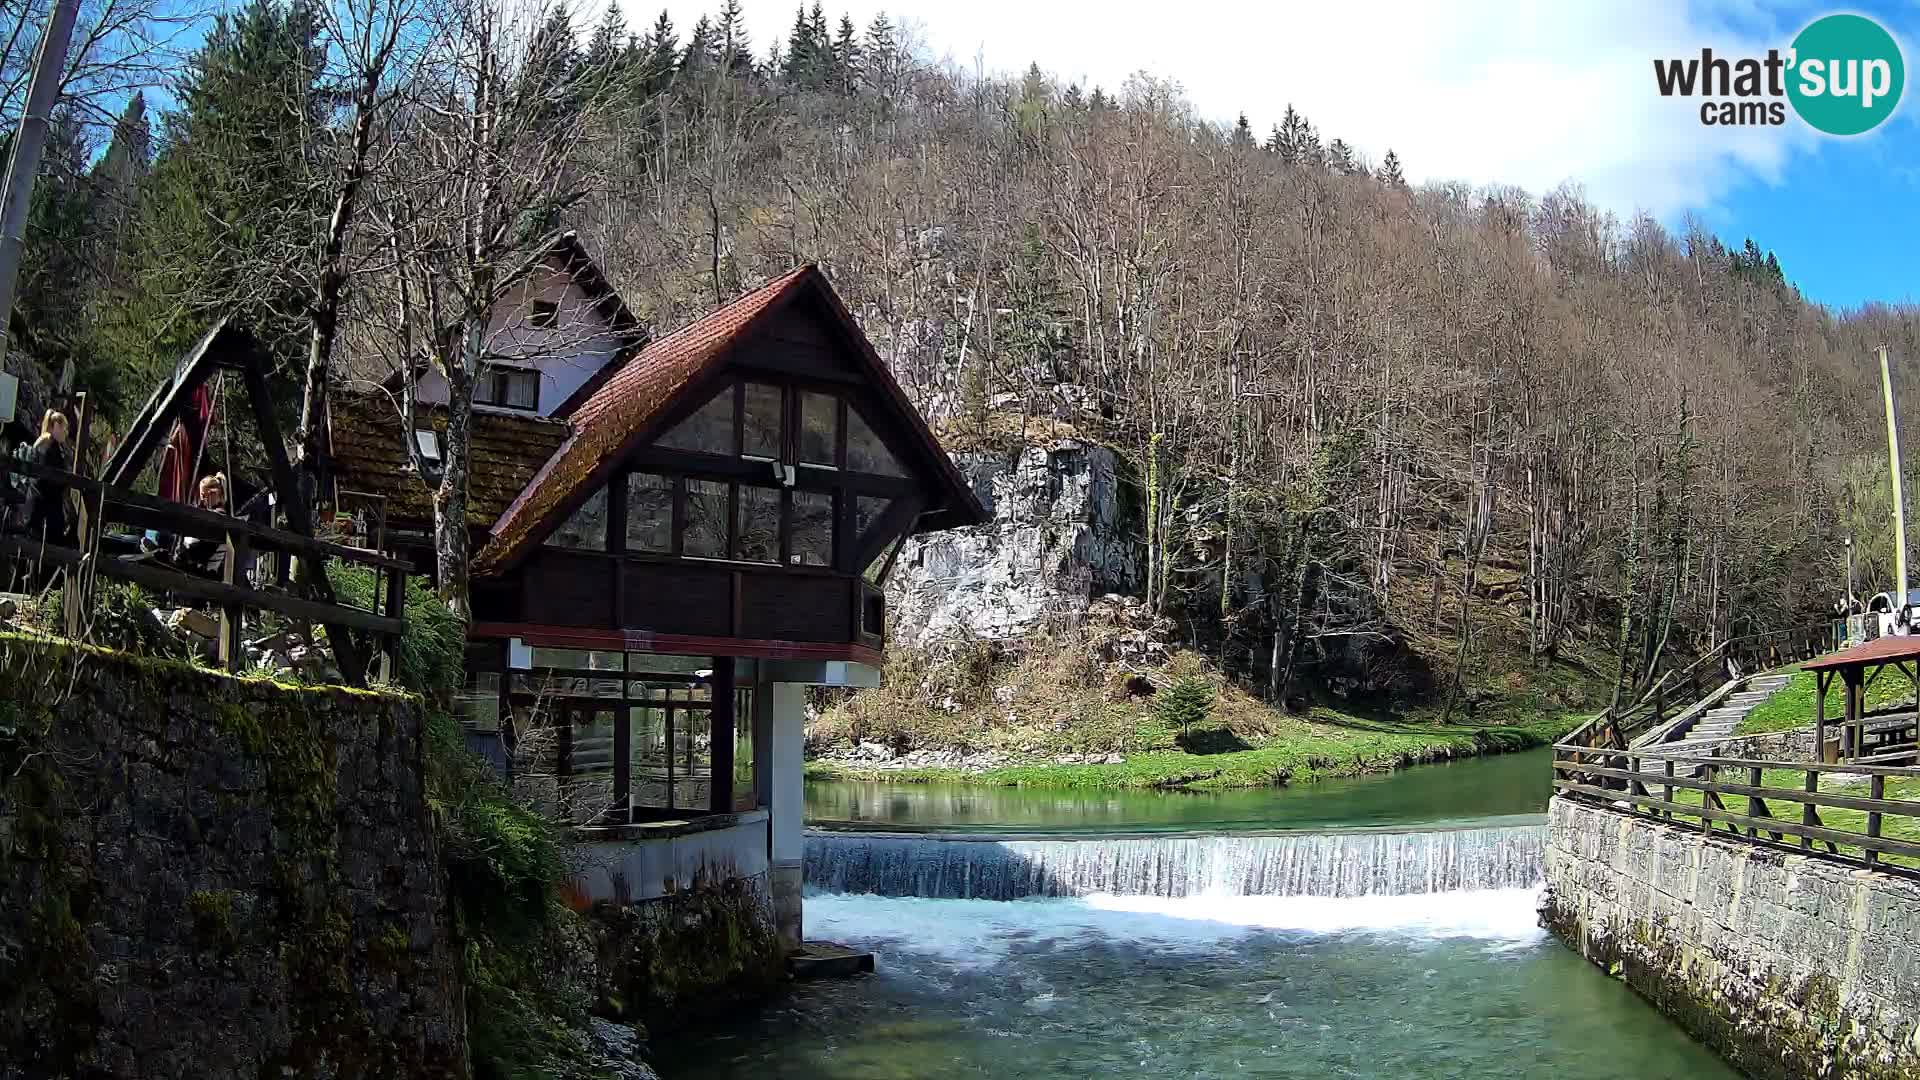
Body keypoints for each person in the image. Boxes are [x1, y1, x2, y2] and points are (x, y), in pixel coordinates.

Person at [21, 410, 71, 545]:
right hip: (44, 505)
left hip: (38, 503)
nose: (66, 432)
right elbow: (51, 477)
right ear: (56, 426)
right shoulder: (49, 444)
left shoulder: (45, 442)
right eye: (64, 428)